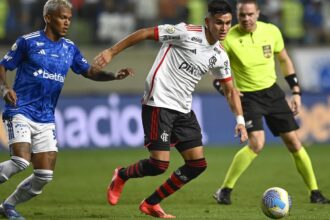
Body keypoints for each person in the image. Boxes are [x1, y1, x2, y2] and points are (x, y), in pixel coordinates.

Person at [94, 0, 248, 218]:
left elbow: (231, 90)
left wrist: (240, 121)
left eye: (228, 23)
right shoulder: (185, 32)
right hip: (159, 101)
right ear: (208, 21)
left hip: (183, 107)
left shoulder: (220, 55)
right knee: (159, 164)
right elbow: (146, 32)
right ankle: (121, 175)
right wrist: (111, 51)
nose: (224, 28)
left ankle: (151, 203)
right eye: (219, 22)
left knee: (197, 164)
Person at [0, 0, 133, 219]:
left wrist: (113, 75)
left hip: (46, 117)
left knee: (44, 175)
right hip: (21, 109)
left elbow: (88, 71)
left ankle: (8, 206)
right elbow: (3, 65)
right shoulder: (28, 42)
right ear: (48, 18)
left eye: (70, 18)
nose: (67, 22)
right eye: (62, 17)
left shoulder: (69, 48)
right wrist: (5, 89)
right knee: (21, 161)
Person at [213, 0, 330, 205]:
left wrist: (295, 91)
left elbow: (284, 60)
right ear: (236, 15)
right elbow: (215, 72)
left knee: (294, 142)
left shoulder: (272, 32)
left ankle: (315, 192)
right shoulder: (228, 38)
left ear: (258, 13)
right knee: (257, 143)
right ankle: (225, 190)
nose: (246, 19)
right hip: (248, 97)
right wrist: (226, 91)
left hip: (273, 93)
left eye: (250, 14)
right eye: (242, 15)